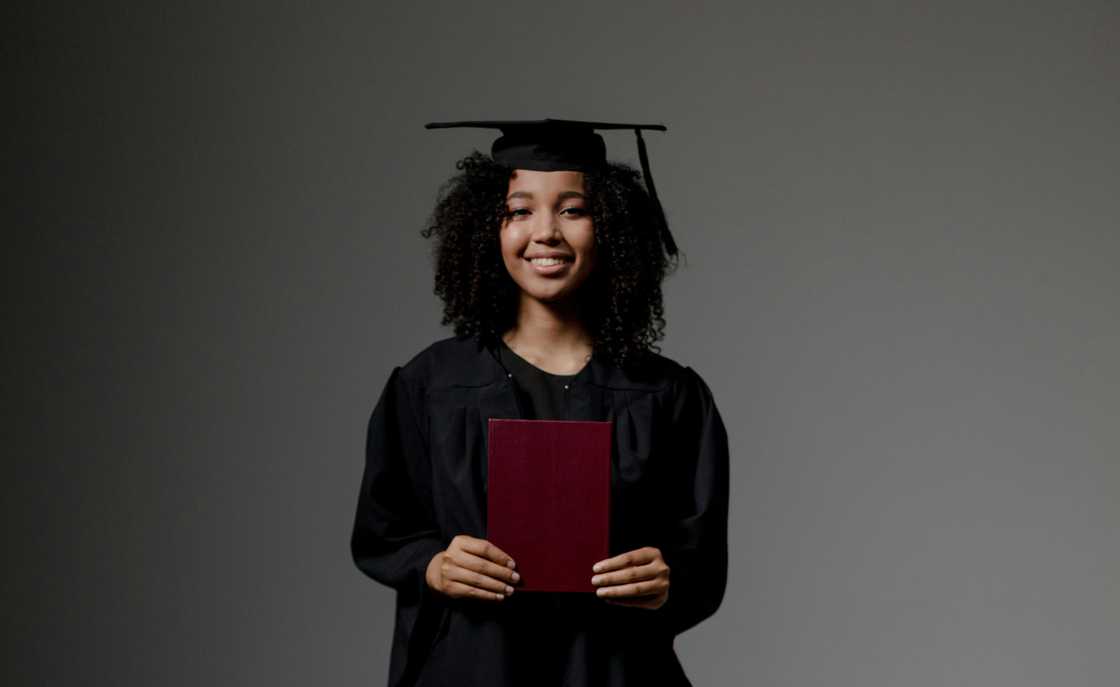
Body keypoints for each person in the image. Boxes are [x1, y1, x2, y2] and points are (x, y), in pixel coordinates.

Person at [350, 119, 729, 687]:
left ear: (612, 227)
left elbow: (699, 559)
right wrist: (433, 564)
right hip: (472, 670)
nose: (545, 232)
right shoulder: (431, 385)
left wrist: (666, 578)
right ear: (486, 230)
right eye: (518, 211)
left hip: (613, 670)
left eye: (573, 210)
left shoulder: (668, 396)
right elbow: (384, 529)